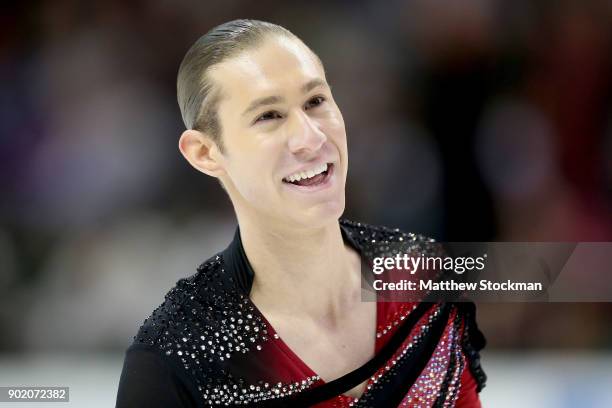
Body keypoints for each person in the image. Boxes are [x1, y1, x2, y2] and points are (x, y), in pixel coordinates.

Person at [115, 19, 486, 407]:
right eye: (268, 116)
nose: (311, 138)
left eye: (315, 102)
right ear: (205, 153)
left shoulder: (421, 278)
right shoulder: (178, 356)